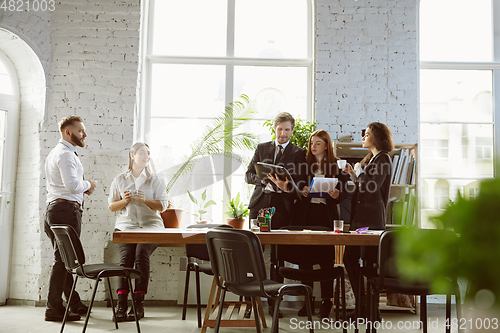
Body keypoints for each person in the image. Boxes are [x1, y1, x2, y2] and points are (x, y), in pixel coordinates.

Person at [245, 112, 306, 316]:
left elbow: (299, 181)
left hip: (281, 208)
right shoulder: (262, 148)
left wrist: (285, 184)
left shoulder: (298, 152)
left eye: (287, 130)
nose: (283, 134)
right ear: (274, 128)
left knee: (277, 258)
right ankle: (249, 302)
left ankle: (274, 304)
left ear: (292, 130)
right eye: (280, 129)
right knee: (253, 253)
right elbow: (248, 175)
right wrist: (262, 180)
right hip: (260, 204)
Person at [44, 115, 97, 322]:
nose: (85, 134)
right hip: (65, 212)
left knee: (65, 260)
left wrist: (81, 187)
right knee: (63, 261)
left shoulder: (57, 153)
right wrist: (88, 184)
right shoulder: (65, 155)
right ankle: (53, 308)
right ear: (68, 132)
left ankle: (73, 303)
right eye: (81, 130)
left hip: (55, 210)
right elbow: (72, 186)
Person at [108, 142, 169, 322]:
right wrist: (124, 201)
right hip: (125, 227)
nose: (146, 156)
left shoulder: (156, 180)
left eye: (148, 153)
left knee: (141, 254)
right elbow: (112, 206)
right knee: (125, 259)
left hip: (151, 226)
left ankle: (138, 304)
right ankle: (121, 304)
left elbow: (163, 206)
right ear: (132, 155)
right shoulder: (119, 179)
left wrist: (146, 200)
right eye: (142, 152)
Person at [291, 129, 348, 319]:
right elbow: (295, 184)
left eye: (317, 143)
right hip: (306, 215)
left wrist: (337, 194)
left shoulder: (336, 165)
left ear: (326, 145)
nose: (313, 147)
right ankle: (307, 299)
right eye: (311, 143)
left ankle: (326, 301)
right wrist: (302, 189)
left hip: (325, 216)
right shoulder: (303, 164)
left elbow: (344, 192)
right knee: (305, 259)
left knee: (325, 260)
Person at [342, 122, 394, 320]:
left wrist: (358, 172)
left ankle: (371, 309)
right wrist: (354, 175)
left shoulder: (383, 159)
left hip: (371, 219)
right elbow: (365, 186)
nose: (363, 136)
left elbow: (372, 187)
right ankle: (364, 305)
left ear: (377, 137)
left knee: (370, 264)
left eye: (368, 134)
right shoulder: (373, 159)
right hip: (361, 218)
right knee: (351, 258)